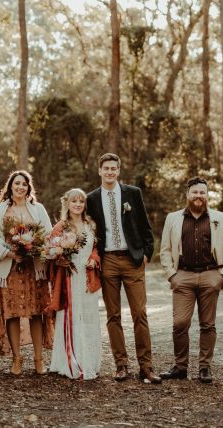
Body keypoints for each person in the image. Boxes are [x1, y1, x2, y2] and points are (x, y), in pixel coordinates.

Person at [86, 152, 161, 384]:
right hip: (108, 261)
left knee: (140, 313)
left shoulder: (133, 194)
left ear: (119, 171)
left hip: (132, 260)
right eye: (106, 168)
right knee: (113, 315)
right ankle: (121, 365)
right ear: (100, 171)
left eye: (113, 168)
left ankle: (146, 367)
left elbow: (145, 226)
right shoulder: (92, 198)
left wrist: (147, 254)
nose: (110, 172)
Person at [158, 177, 223, 384]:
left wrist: (222, 276)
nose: (198, 196)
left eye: (202, 192)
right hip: (182, 275)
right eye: (195, 192)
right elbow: (164, 250)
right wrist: (172, 275)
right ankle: (180, 366)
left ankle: (204, 367)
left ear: (207, 195)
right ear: (188, 195)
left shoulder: (220, 218)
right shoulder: (173, 218)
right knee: (180, 323)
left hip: (211, 275)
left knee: (207, 324)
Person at [0, 170, 54, 375]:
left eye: (24, 184)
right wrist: (10, 252)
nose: (20, 187)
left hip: (34, 269)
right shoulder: (0, 210)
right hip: (10, 269)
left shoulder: (38, 209)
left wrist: (33, 248)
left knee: (36, 313)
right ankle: (17, 358)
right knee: (13, 314)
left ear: (29, 188)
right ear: (10, 186)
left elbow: (47, 234)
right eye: (17, 183)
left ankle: (38, 359)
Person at [47, 188, 103, 380]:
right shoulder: (61, 227)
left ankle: (89, 360)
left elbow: (96, 248)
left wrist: (94, 259)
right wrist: (60, 258)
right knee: (70, 317)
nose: (78, 205)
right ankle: (70, 361)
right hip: (69, 279)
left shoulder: (91, 225)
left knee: (88, 317)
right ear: (67, 204)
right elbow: (50, 251)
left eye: (81, 201)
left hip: (87, 278)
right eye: (74, 201)